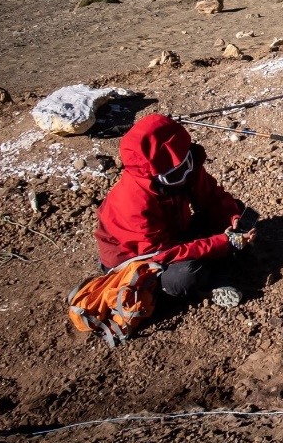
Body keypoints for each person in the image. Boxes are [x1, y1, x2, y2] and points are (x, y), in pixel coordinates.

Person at [95, 114, 254, 307]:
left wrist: (233, 219)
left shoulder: (180, 167)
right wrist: (223, 242)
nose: (186, 174)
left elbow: (213, 197)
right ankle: (205, 283)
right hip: (138, 257)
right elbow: (161, 252)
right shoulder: (133, 203)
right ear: (153, 175)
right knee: (186, 275)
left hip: (173, 233)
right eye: (175, 174)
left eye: (187, 164)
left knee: (235, 209)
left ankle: (219, 262)